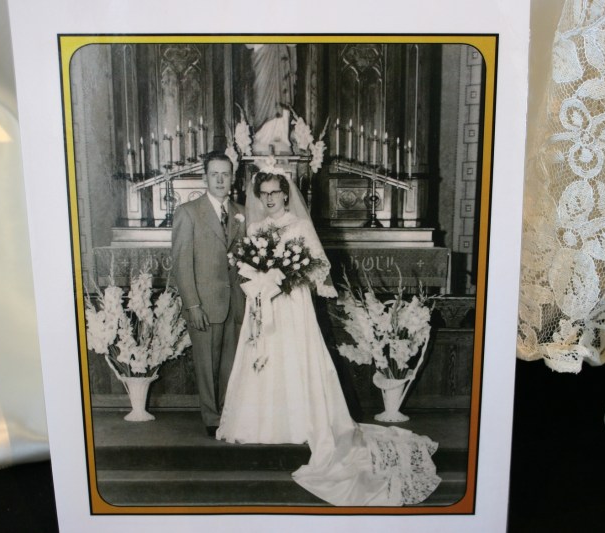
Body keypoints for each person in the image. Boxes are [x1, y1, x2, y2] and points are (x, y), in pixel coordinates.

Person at [216, 164, 441, 506]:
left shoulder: (300, 225)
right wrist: (260, 276)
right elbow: (247, 265)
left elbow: (320, 266)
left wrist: (289, 274)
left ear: (286, 194)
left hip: (292, 305)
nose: (270, 198)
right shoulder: (257, 226)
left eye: (276, 192)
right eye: (265, 194)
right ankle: (260, 423)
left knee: (295, 358)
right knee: (263, 356)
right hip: (264, 304)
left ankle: (301, 422)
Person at [170, 151, 246, 436]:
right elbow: (181, 264)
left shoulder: (242, 213)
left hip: (236, 303)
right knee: (207, 364)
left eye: (225, 174)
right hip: (204, 304)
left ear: (232, 178)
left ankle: (228, 415)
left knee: (231, 363)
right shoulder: (188, 213)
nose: (220, 179)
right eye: (214, 174)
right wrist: (193, 305)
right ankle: (212, 419)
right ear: (204, 178)